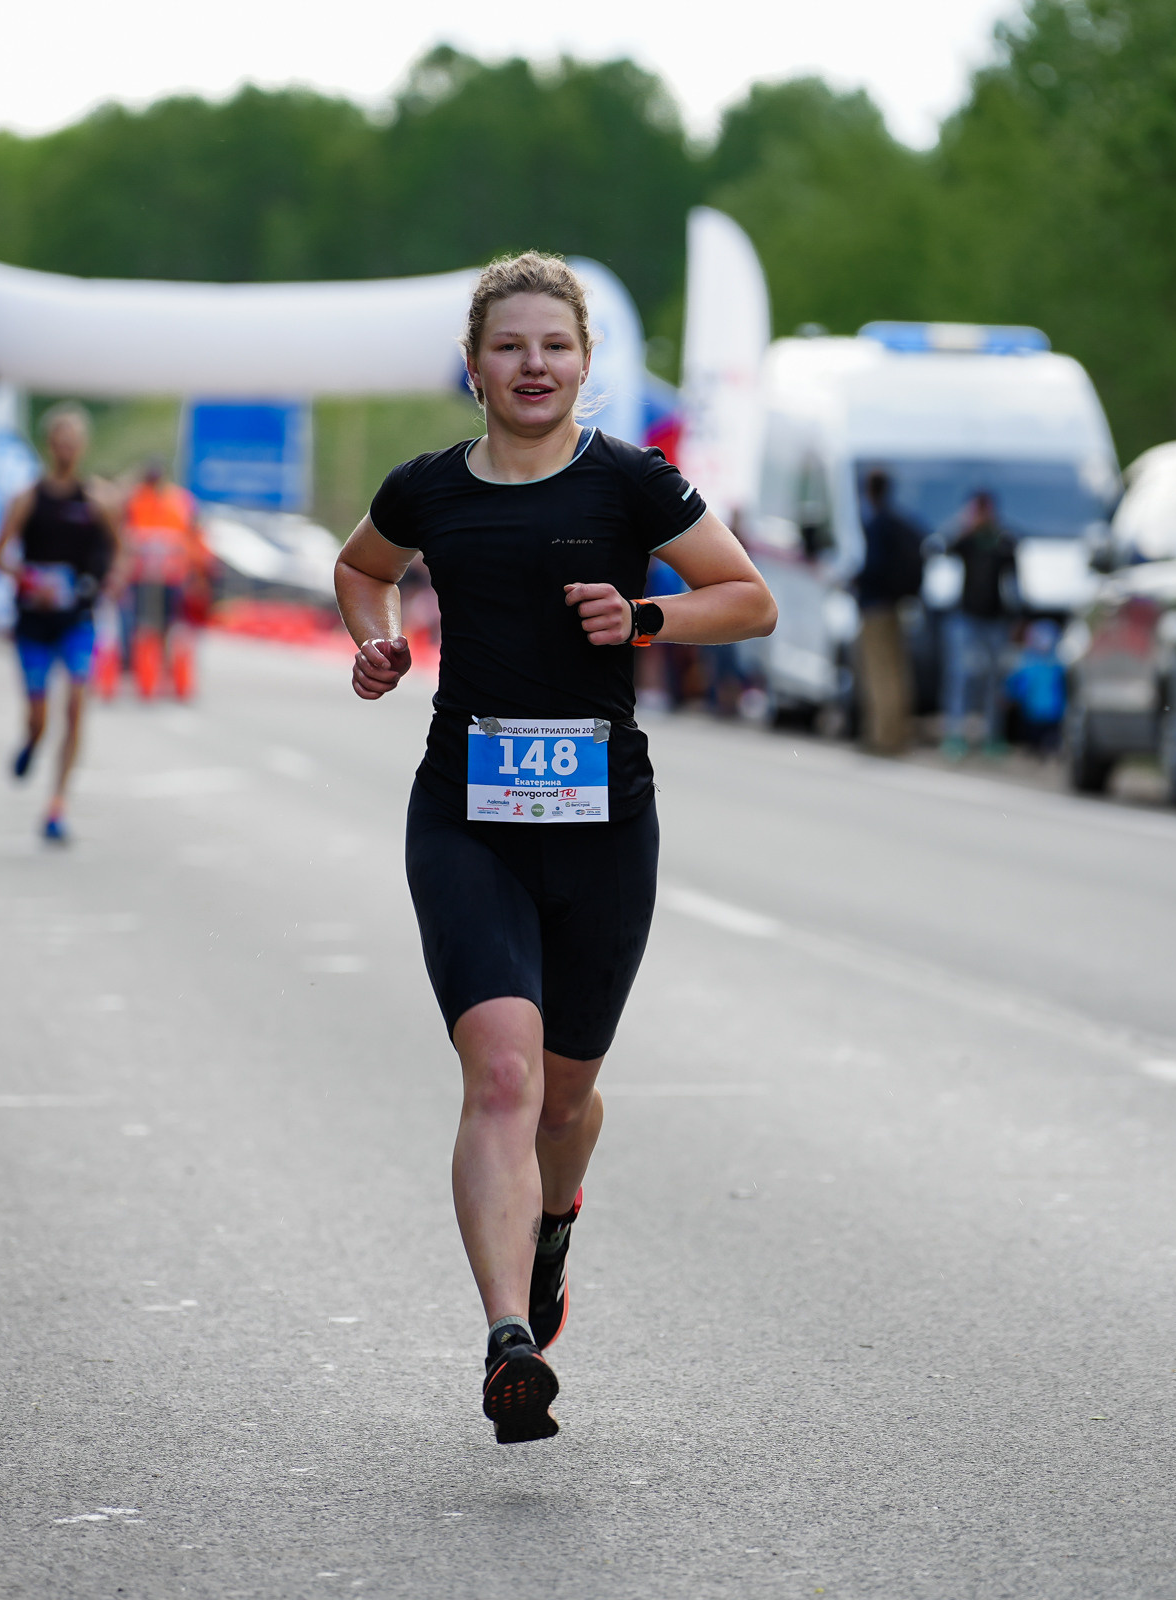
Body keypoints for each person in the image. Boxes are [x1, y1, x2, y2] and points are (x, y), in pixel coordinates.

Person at [332, 252, 777, 1445]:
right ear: (474, 368)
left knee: (566, 1096)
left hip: (604, 827)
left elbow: (748, 598)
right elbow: (360, 569)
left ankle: (556, 1215)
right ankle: (506, 1338)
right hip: (467, 815)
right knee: (504, 1076)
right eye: (511, 346)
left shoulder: (631, 483)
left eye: (556, 347)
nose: (535, 365)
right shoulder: (428, 488)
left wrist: (644, 614)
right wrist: (374, 643)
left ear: (584, 365)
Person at [0, 404, 117, 843]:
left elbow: (121, 550)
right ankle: (30, 742)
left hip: (76, 620)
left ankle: (56, 806)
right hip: (33, 623)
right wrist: (29, 579)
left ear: (81, 447)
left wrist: (105, 582)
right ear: (50, 445)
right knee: (40, 717)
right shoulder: (28, 498)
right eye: (59, 440)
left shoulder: (97, 500)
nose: (66, 448)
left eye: (73, 440)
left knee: (76, 707)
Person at [936, 490, 1019, 757]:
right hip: (966, 617)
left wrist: (1018, 617)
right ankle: (955, 734)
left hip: (995, 618)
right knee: (961, 676)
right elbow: (942, 548)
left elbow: (1015, 583)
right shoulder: (967, 539)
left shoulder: (1003, 541)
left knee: (994, 680)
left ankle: (992, 736)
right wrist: (963, 524)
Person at [854, 469, 925, 755]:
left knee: (879, 672)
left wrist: (855, 580)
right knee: (897, 672)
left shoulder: (877, 524)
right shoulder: (900, 521)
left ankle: (882, 737)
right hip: (895, 605)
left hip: (875, 606)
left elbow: (874, 566)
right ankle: (898, 734)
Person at [120, 459, 200, 699]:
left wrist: (193, 571)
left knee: (168, 624)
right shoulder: (134, 499)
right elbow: (122, 531)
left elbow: (191, 536)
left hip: (171, 575)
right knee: (139, 624)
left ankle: (164, 668)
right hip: (141, 574)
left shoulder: (180, 501)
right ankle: (139, 667)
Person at [1005, 619, 1067, 754]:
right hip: (1032, 711)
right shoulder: (1027, 662)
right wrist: (1011, 695)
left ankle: (1046, 752)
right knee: (1033, 737)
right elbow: (1018, 683)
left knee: (1050, 738)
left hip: (1053, 712)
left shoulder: (1058, 663)